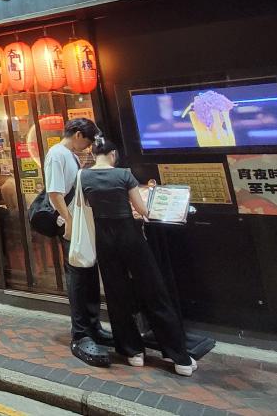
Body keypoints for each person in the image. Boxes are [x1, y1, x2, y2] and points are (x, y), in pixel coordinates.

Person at [80, 139, 196, 376]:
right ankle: (177, 356)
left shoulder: (83, 176)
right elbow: (143, 210)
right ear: (113, 154)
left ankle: (132, 351)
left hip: (103, 239)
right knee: (154, 291)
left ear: (93, 153)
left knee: (116, 293)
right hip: (130, 236)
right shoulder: (124, 174)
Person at [43, 117, 113, 367]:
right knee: (78, 278)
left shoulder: (70, 155)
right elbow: (54, 192)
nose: (88, 146)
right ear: (77, 134)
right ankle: (81, 333)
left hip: (81, 225)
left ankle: (93, 326)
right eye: (88, 141)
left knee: (88, 275)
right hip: (72, 226)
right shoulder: (57, 154)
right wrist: (69, 220)